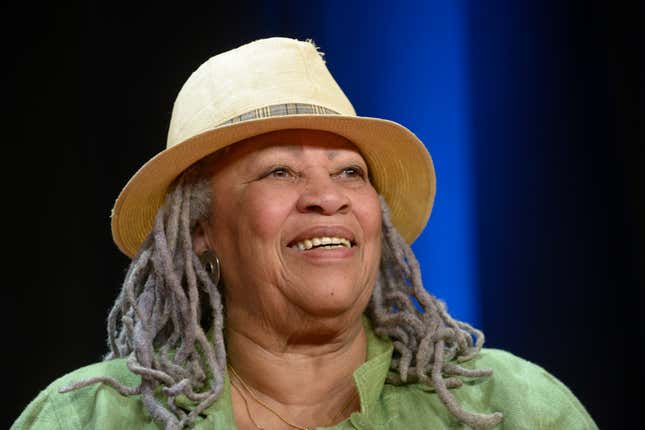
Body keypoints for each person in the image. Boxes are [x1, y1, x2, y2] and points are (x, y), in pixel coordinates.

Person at [12, 37, 597, 430]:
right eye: (280, 172)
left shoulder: (513, 409)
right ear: (200, 228)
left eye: (350, 172)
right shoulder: (93, 416)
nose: (329, 195)